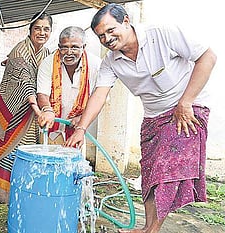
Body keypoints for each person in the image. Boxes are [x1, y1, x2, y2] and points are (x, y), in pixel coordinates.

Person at [64, 3, 216, 233]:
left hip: (187, 109)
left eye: (110, 30)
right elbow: (100, 94)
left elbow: (208, 56)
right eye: (101, 36)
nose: (107, 38)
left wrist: (185, 102)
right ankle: (147, 227)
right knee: (150, 172)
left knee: (165, 169)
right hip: (153, 117)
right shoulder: (111, 62)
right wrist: (81, 129)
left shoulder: (161, 34)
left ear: (126, 21)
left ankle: (152, 230)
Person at [0, 12, 53, 203]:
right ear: (30, 30)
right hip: (13, 107)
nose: (41, 32)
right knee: (12, 149)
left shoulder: (47, 53)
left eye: (46, 29)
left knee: (30, 148)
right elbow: (26, 84)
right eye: (37, 28)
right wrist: (40, 111)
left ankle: (24, 190)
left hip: (34, 107)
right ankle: (4, 194)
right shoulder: (20, 51)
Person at [36, 26, 101, 144]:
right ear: (59, 47)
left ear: (84, 47)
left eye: (75, 47)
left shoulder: (96, 65)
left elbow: (100, 97)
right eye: (64, 47)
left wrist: (81, 119)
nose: (69, 52)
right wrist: (47, 110)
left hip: (79, 127)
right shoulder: (48, 63)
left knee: (74, 160)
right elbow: (42, 94)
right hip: (51, 125)